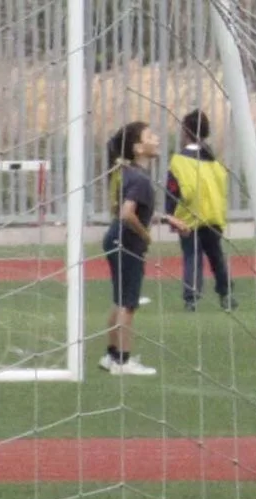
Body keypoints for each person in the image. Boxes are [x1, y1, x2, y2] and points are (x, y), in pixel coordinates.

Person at [102, 120, 161, 376]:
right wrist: (145, 233)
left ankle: (112, 356)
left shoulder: (127, 173)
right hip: (127, 242)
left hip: (114, 238)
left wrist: (168, 219)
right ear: (138, 148)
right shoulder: (139, 178)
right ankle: (123, 362)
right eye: (151, 135)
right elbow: (127, 214)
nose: (156, 138)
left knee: (119, 300)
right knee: (129, 303)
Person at [167, 109, 232, 312]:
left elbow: (173, 189)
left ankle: (191, 299)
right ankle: (226, 294)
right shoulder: (215, 161)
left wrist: (170, 215)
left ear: (185, 132)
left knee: (191, 257)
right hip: (213, 216)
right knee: (216, 257)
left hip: (189, 217)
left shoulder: (179, 161)